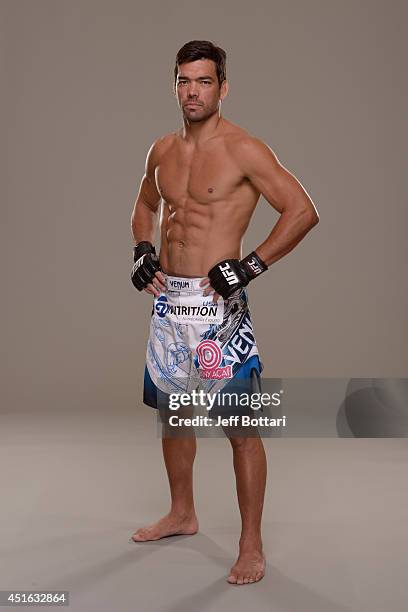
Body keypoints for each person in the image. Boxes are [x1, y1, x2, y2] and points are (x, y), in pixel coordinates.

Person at [129, 40, 319, 585]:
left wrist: (251, 266)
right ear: (175, 85)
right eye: (185, 81)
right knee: (174, 417)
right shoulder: (162, 149)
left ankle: (250, 545)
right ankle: (182, 513)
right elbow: (145, 204)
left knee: (240, 427)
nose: (193, 91)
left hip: (218, 309)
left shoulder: (244, 149)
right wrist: (143, 249)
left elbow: (302, 211)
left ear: (223, 87)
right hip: (170, 306)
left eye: (204, 81)